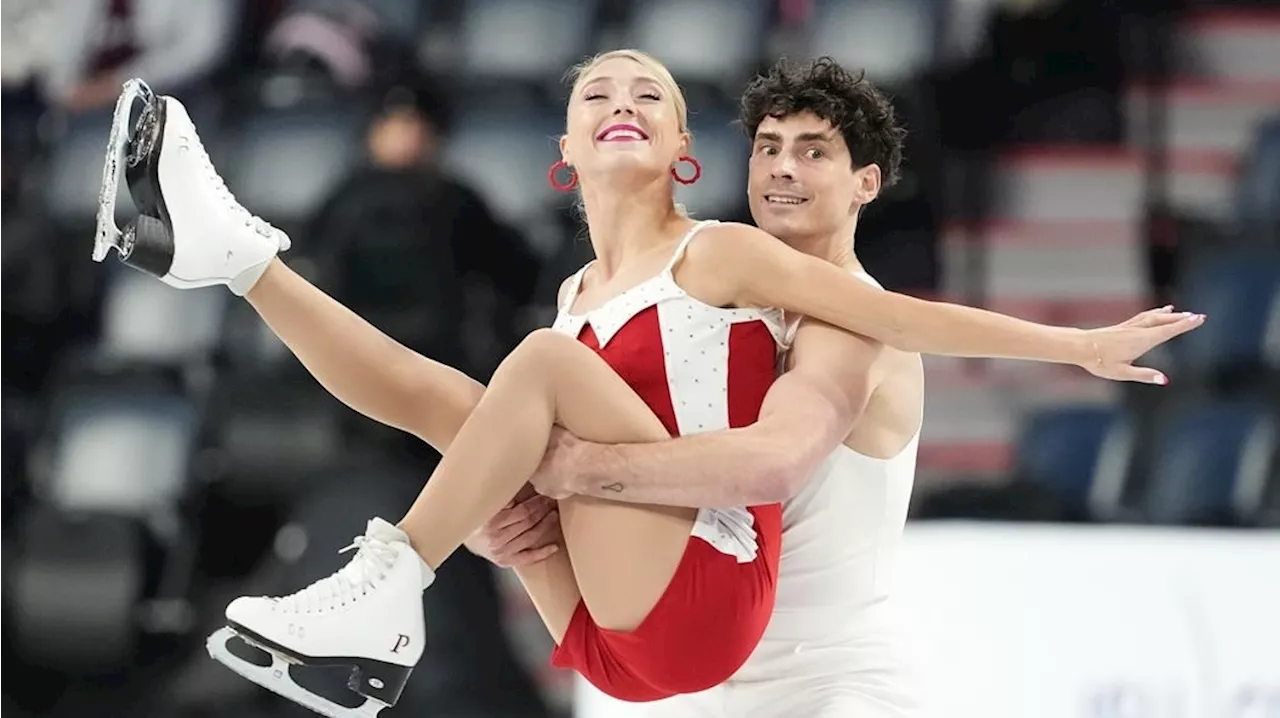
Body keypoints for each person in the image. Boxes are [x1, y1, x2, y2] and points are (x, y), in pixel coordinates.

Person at [99, 50, 1200, 718]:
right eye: (769, 145)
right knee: (461, 402)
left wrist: (1073, 349)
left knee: (522, 382)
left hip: (815, 677)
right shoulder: (582, 292)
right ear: (561, 146)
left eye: (813, 152)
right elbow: (497, 438)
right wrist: (521, 515)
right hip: (647, 658)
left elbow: (789, 439)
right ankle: (235, 255)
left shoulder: (760, 273)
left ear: (681, 147)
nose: (781, 167)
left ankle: (391, 586)